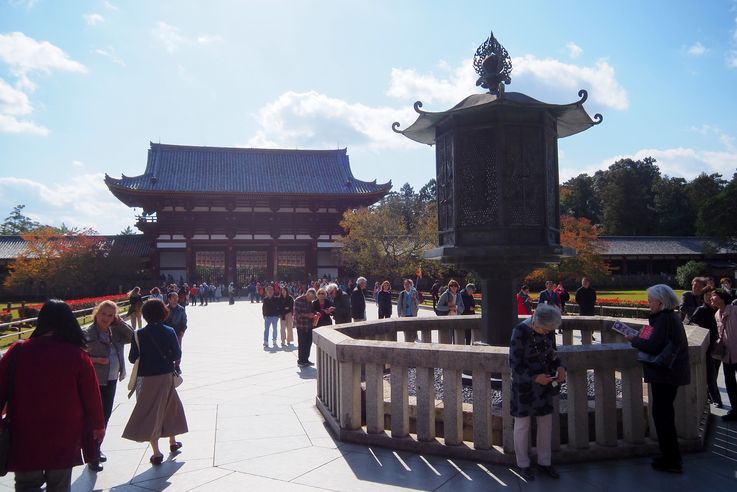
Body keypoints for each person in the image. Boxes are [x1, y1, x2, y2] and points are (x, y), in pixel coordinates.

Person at [0, 300, 105, 490]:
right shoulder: (77, 355)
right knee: (59, 485)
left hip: (25, 431)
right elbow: (91, 395)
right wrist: (98, 425)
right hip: (64, 433)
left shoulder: (18, 351)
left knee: (26, 484)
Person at [626, 284, 690, 473]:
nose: (648, 304)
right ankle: (670, 456)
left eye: (650, 300)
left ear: (660, 302)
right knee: (664, 415)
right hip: (671, 374)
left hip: (665, 374)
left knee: (663, 417)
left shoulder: (664, 319)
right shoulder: (669, 317)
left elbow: (653, 346)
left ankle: (671, 460)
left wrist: (634, 339)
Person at [123, 299, 187, 466]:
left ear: (144, 314)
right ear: (163, 312)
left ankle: (156, 452)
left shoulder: (138, 334)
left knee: (151, 411)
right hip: (165, 376)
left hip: (146, 377)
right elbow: (176, 354)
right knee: (169, 407)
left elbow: (132, 358)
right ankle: (172, 441)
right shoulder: (169, 331)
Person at [509, 303, 566, 481]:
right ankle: (523, 464)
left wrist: (560, 366)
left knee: (546, 423)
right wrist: (534, 377)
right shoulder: (520, 331)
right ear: (535, 321)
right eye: (543, 329)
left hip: (544, 385)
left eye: (549, 330)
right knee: (522, 425)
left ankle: (545, 462)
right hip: (524, 386)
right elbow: (514, 365)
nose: (546, 333)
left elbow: (552, 353)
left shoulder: (548, 328)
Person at [84, 300, 134, 472]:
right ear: (96, 313)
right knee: (94, 418)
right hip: (94, 381)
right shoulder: (87, 333)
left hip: (111, 379)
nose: (105, 318)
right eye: (103, 313)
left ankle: (96, 449)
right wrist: (96, 360)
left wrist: (120, 322)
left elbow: (132, 337)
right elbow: (77, 358)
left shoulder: (116, 332)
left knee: (104, 416)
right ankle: (92, 455)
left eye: (110, 315)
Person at [690, 286, 722, 408]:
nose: (709, 298)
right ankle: (717, 399)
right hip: (708, 347)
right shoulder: (701, 310)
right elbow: (691, 322)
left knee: (715, 372)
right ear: (703, 297)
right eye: (706, 295)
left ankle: (710, 395)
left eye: (711, 295)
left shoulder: (718, 310)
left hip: (718, 346)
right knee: (711, 374)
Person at [712, 290, 737, 421]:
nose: (711, 299)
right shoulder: (716, 314)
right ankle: (735, 410)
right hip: (727, 355)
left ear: (722, 298)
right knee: (730, 383)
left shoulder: (734, 310)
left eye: (714, 296)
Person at [294, 289, 318, 367]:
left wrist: (315, 313)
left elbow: (312, 310)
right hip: (301, 326)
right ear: (307, 294)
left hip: (309, 326)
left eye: (313, 298)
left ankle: (306, 360)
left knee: (308, 343)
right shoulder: (298, 300)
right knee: (302, 344)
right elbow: (297, 315)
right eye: (311, 298)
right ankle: (301, 361)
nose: (311, 300)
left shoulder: (310, 301)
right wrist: (308, 315)